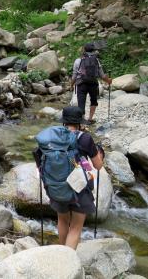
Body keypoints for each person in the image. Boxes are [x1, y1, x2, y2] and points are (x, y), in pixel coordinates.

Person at [35, 106, 104, 249]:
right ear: (80, 123)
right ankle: (68, 260)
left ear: (64, 122)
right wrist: (99, 153)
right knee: (76, 227)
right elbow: (98, 166)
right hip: (79, 189)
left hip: (56, 187)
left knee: (62, 220)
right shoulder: (85, 138)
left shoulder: (51, 139)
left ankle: (62, 254)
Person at [70, 43, 112, 124]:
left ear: (84, 50)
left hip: (81, 84)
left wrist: (71, 85)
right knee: (93, 101)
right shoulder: (96, 60)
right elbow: (102, 75)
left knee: (81, 103)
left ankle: (82, 121)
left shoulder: (78, 61)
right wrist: (108, 81)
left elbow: (74, 75)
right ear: (93, 51)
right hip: (93, 84)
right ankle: (90, 118)